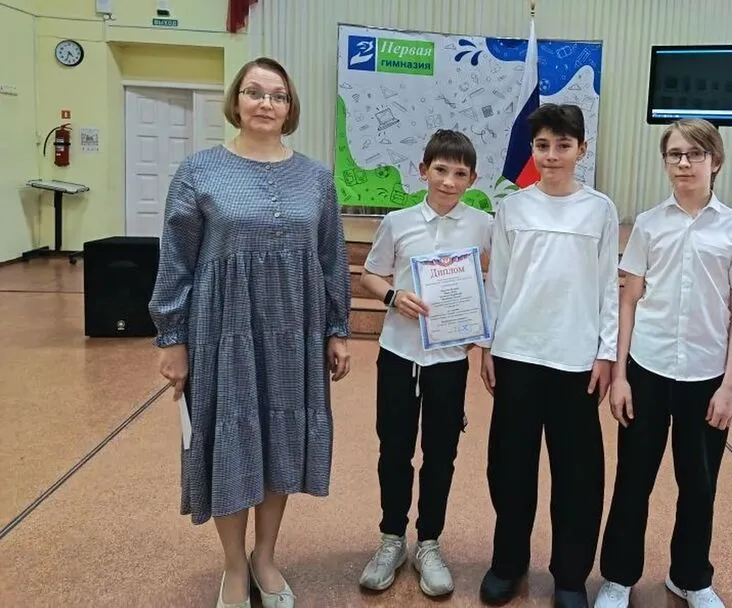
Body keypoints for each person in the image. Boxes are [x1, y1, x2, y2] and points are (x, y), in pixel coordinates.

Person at [149, 57, 353, 608]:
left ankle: (265, 557)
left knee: (280, 440)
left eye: (277, 95)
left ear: (290, 108)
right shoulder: (199, 171)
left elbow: (331, 258)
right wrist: (172, 338)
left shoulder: (316, 178)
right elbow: (176, 259)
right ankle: (234, 566)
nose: (266, 103)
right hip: (223, 332)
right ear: (236, 101)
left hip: (295, 333)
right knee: (231, 441)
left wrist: (337, 329)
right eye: (254, 92)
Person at [593, 119, 732, 608]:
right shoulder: (649, 224)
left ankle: (690, 578)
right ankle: (618, 577)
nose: (684, 163)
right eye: (675, 154)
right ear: (665, 162)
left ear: (716, 161)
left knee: (699, 484)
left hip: (706, 376)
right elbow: (628, 300)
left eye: (695, 154)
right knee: (633, 480)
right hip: (647, 369)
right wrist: (621, 375)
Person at [478, 103, 619, 608]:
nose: (552, 155)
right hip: (517, 353)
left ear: (582, 149)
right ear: (532, 150)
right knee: (510, 468)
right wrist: (489, 344)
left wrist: (606, 353)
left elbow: (608, 286)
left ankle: (570, 576)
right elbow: (497, 282)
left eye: (563, 145)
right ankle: (508, 563)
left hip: (576, 360)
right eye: (542, 146)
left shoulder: (600, 209)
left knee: (578, 475)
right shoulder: (513, 208)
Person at [357, 129, 493, 598]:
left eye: (460, 173)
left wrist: (479, 333)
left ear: (473, 179)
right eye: (440, 170)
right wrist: (393, 297)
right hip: (399, 354)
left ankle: (429, 543)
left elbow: (494, 282)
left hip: (449, 360)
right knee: (394, 450)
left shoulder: (483, 225)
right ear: (423, 171)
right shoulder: (397, 222)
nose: (449, 181)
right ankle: (391, 539)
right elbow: (371, 275)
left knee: (441, 454)